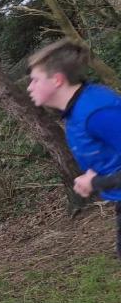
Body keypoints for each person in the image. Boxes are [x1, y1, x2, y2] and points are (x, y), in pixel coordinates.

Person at [27, 39, 121, 258]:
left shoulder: (97, 112)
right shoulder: (75, 111)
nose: (29, 87)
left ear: (57, 80)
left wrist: (95, 182)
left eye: (35, 80)